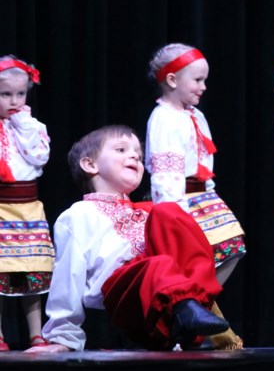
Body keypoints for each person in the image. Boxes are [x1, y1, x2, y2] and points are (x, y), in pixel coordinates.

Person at [25, 126, 229, 354]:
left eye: (139, 156)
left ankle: (188, 312)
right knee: (159, 263)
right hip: (124, 292)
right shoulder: (79, 213)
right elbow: (68, 274)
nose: (134, 156)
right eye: (121, 150)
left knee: (169, 212)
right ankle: (184, 312)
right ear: (90, 165)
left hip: (160, 298)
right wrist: (63, 337)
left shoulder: (148, 212)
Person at [144, 43, 245, 349]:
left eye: (204, 80)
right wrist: (174, 211)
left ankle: (189, 310)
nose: (203, 87)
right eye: (197, 80)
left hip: (204, 194)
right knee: (198, 258)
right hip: (181, 197)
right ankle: (188, 316)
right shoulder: (164, 118)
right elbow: (165, 169)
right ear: (172, 80)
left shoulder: (195, 115)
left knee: (233, 247)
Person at [0, 56, 55, 350]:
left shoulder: (32, 125)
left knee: (32, 269)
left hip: (28, 207)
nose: (14, 100)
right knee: (1, 271)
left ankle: (36, 332)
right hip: (1, 207)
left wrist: (23, 125)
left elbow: (39, 157)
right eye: (5, 94)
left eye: (20, 94)